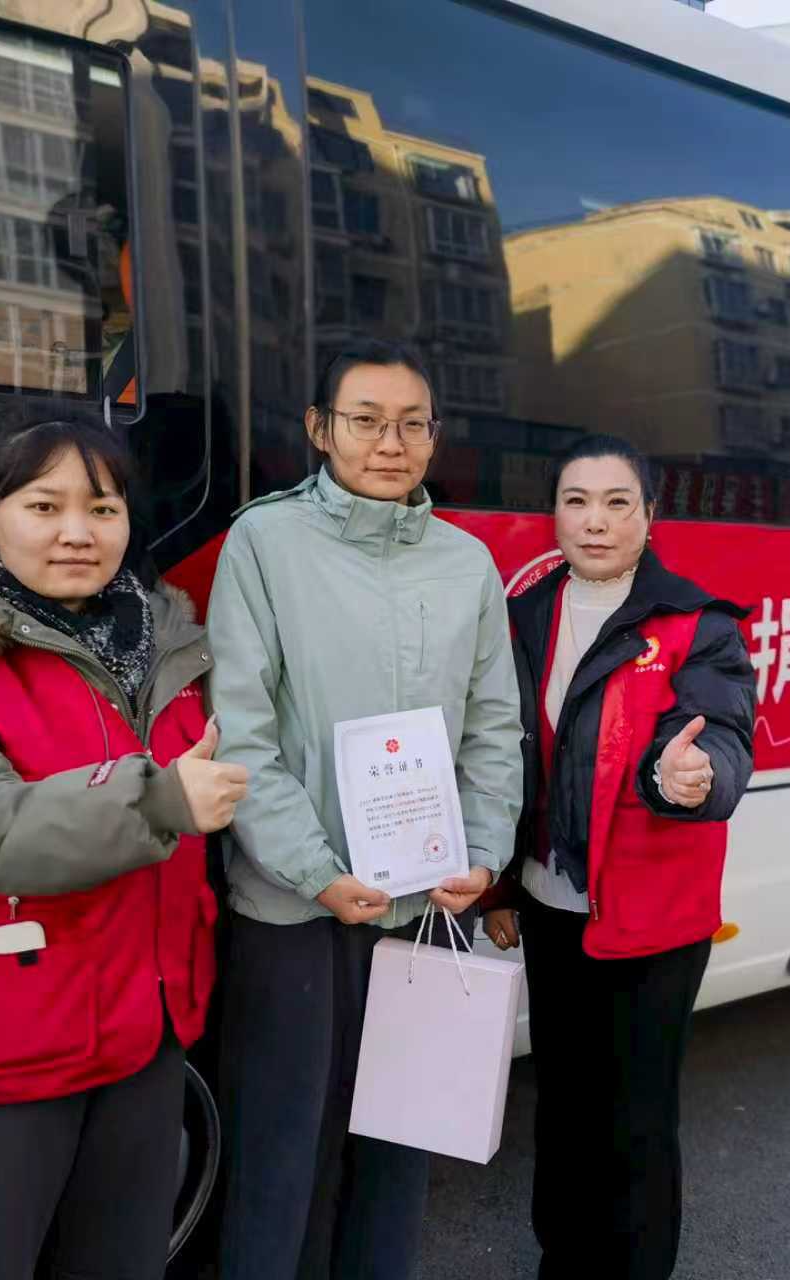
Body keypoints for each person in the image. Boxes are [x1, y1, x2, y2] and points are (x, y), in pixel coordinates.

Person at [0, 402, 247, 1280]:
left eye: (103, 508)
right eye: (44, 505)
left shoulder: (172, 656)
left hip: (143, 1037)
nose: (78, 532)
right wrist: (158, 798)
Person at [208, 338, 523, 1280]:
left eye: (411, 424)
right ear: (319, 429)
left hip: (425, 903)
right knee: (282, 1156)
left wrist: (480, 853)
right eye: (366, 421)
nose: (391, 443)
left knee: (398, 1147)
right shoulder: (263, 544)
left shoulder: (465, 562)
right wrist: (316, 871)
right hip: (294, 907)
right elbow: (242, 731)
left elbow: (492, 729)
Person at [481, 434, 756, 1280]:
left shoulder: (698, 624)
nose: (594, 522)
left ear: (648, 515)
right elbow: (505, 759)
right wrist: (499, 886)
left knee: (636, 1118)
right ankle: (563, 1265)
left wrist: (688, 778)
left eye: (615, 503)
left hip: (653, 914)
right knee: (562, 1105)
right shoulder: (524, 617)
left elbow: (721, 732)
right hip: (550, 907)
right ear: (553, 514)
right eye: (576, 502)